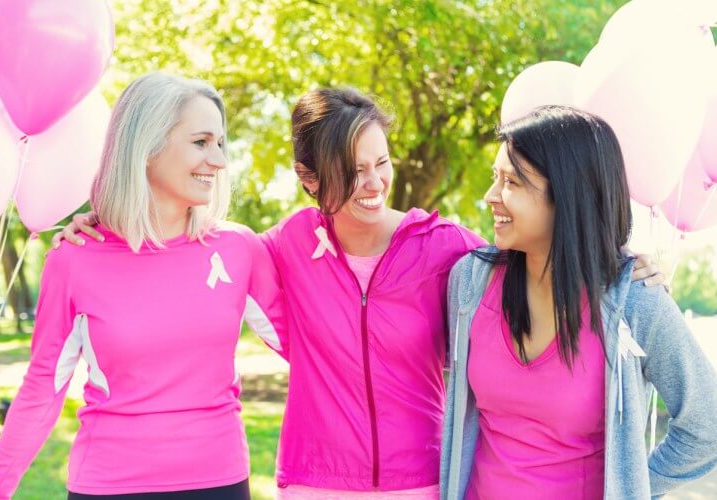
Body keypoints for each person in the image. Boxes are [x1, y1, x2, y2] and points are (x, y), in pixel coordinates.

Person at [54, 89, 664, 499]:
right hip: (315, 483)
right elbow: (186, 247)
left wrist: (622, 261)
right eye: (352, 169)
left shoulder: (448, 247)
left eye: (381, 162)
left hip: (420, 480)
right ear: (309, 178)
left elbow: (543, 247)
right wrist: (97, 225)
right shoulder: (282, 247)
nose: (373, 184)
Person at [0, 73, 286, 500]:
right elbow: (43, 389)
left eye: (220, 144)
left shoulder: (239, 249)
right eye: (201, 142)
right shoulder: (74, 259)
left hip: (218, 482)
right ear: (146, 148)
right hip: (108, 485)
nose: (219, 161)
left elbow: (313, 350)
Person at [440, 105, 717, 500]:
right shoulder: (470, 283)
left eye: (510, 181)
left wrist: (628, 487)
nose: (491, 196)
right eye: (497, 178)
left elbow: (707, 429)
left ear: (566, 195)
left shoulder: (635, 303)